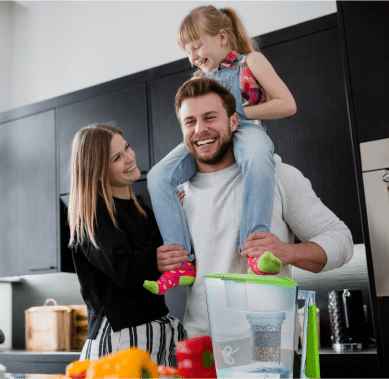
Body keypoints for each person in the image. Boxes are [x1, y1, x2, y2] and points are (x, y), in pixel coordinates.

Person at [156, 76, 353, 338]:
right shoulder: (179, 194)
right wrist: (164, 261)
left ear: (234, 121)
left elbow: (342, 241)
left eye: (210, 117)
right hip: (200, 347)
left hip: (267, 348)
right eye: (190, 122)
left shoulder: (278, 176)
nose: (200, 129)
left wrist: (287, 252)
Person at [144, 6, 297, 295]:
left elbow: (287, 104)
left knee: (257, 156)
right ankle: (183, 264)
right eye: (187, 51)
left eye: (196, 46)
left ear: (223, 37)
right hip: (208, 138)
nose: (192, 57)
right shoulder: (196, 82)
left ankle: (254, 250)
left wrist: (237, 113)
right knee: (158, 176)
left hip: (247, 129)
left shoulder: (251, 61)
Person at [67, 124, 185, 364]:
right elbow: (126, 271)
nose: (130, 158)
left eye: (127, 147)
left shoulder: (141, 209)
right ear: (97, 170)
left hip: (153, 333)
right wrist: (165, 227)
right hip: (120, 339)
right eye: (117, 157)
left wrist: (171, 216)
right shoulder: (92, 217)